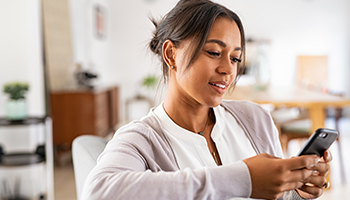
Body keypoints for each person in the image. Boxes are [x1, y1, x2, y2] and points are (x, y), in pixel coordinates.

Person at [82, 0, 332, 199]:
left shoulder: (256, 119)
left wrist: (295, 191)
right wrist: (245, 180)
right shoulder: (141, 139)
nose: (228, 70)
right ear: (171, 54)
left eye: (235, 58)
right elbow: (98, 193)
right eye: (214, 52)